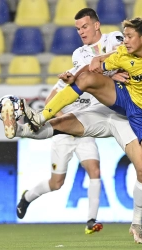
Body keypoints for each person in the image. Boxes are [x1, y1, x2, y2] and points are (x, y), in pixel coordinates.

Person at [0, 9, 142, 244]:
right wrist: (111, 73)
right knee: (56, 182)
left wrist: (110, 65)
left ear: (97, 25)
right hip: (87, 117)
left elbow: (126, 54)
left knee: (135, 168)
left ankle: (112, 223)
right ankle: (19, 134)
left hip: (117, 115)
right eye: (78, 29)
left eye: (84, 27)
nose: (81, 32)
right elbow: (89, 74)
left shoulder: (114, 38)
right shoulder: (78, 56)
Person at [16, 85, 103, 235]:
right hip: (62, 135)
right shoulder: (69, 78)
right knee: (56, 183)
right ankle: (27, 197)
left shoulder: (96, 80)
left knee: (95, 171)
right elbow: (50, 101)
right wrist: (67, 122)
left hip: (85, 135)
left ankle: (91, 221)